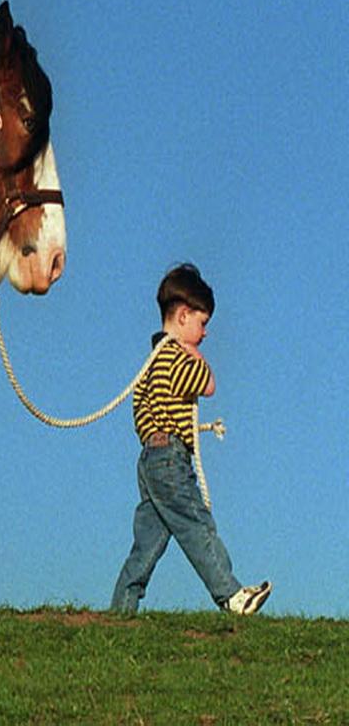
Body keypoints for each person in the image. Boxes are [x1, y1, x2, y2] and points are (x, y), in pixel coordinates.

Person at [110, 263, 270, 614]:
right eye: (202, 323)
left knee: (148, 541)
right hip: (169, 457)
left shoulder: (152, 360)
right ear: (183, 316)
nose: (205, 333)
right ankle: (231, 594)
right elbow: (208, 384)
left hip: (150, 458)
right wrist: (194, 351)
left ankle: (122, 608)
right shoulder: (174, 356)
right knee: (197, 524)